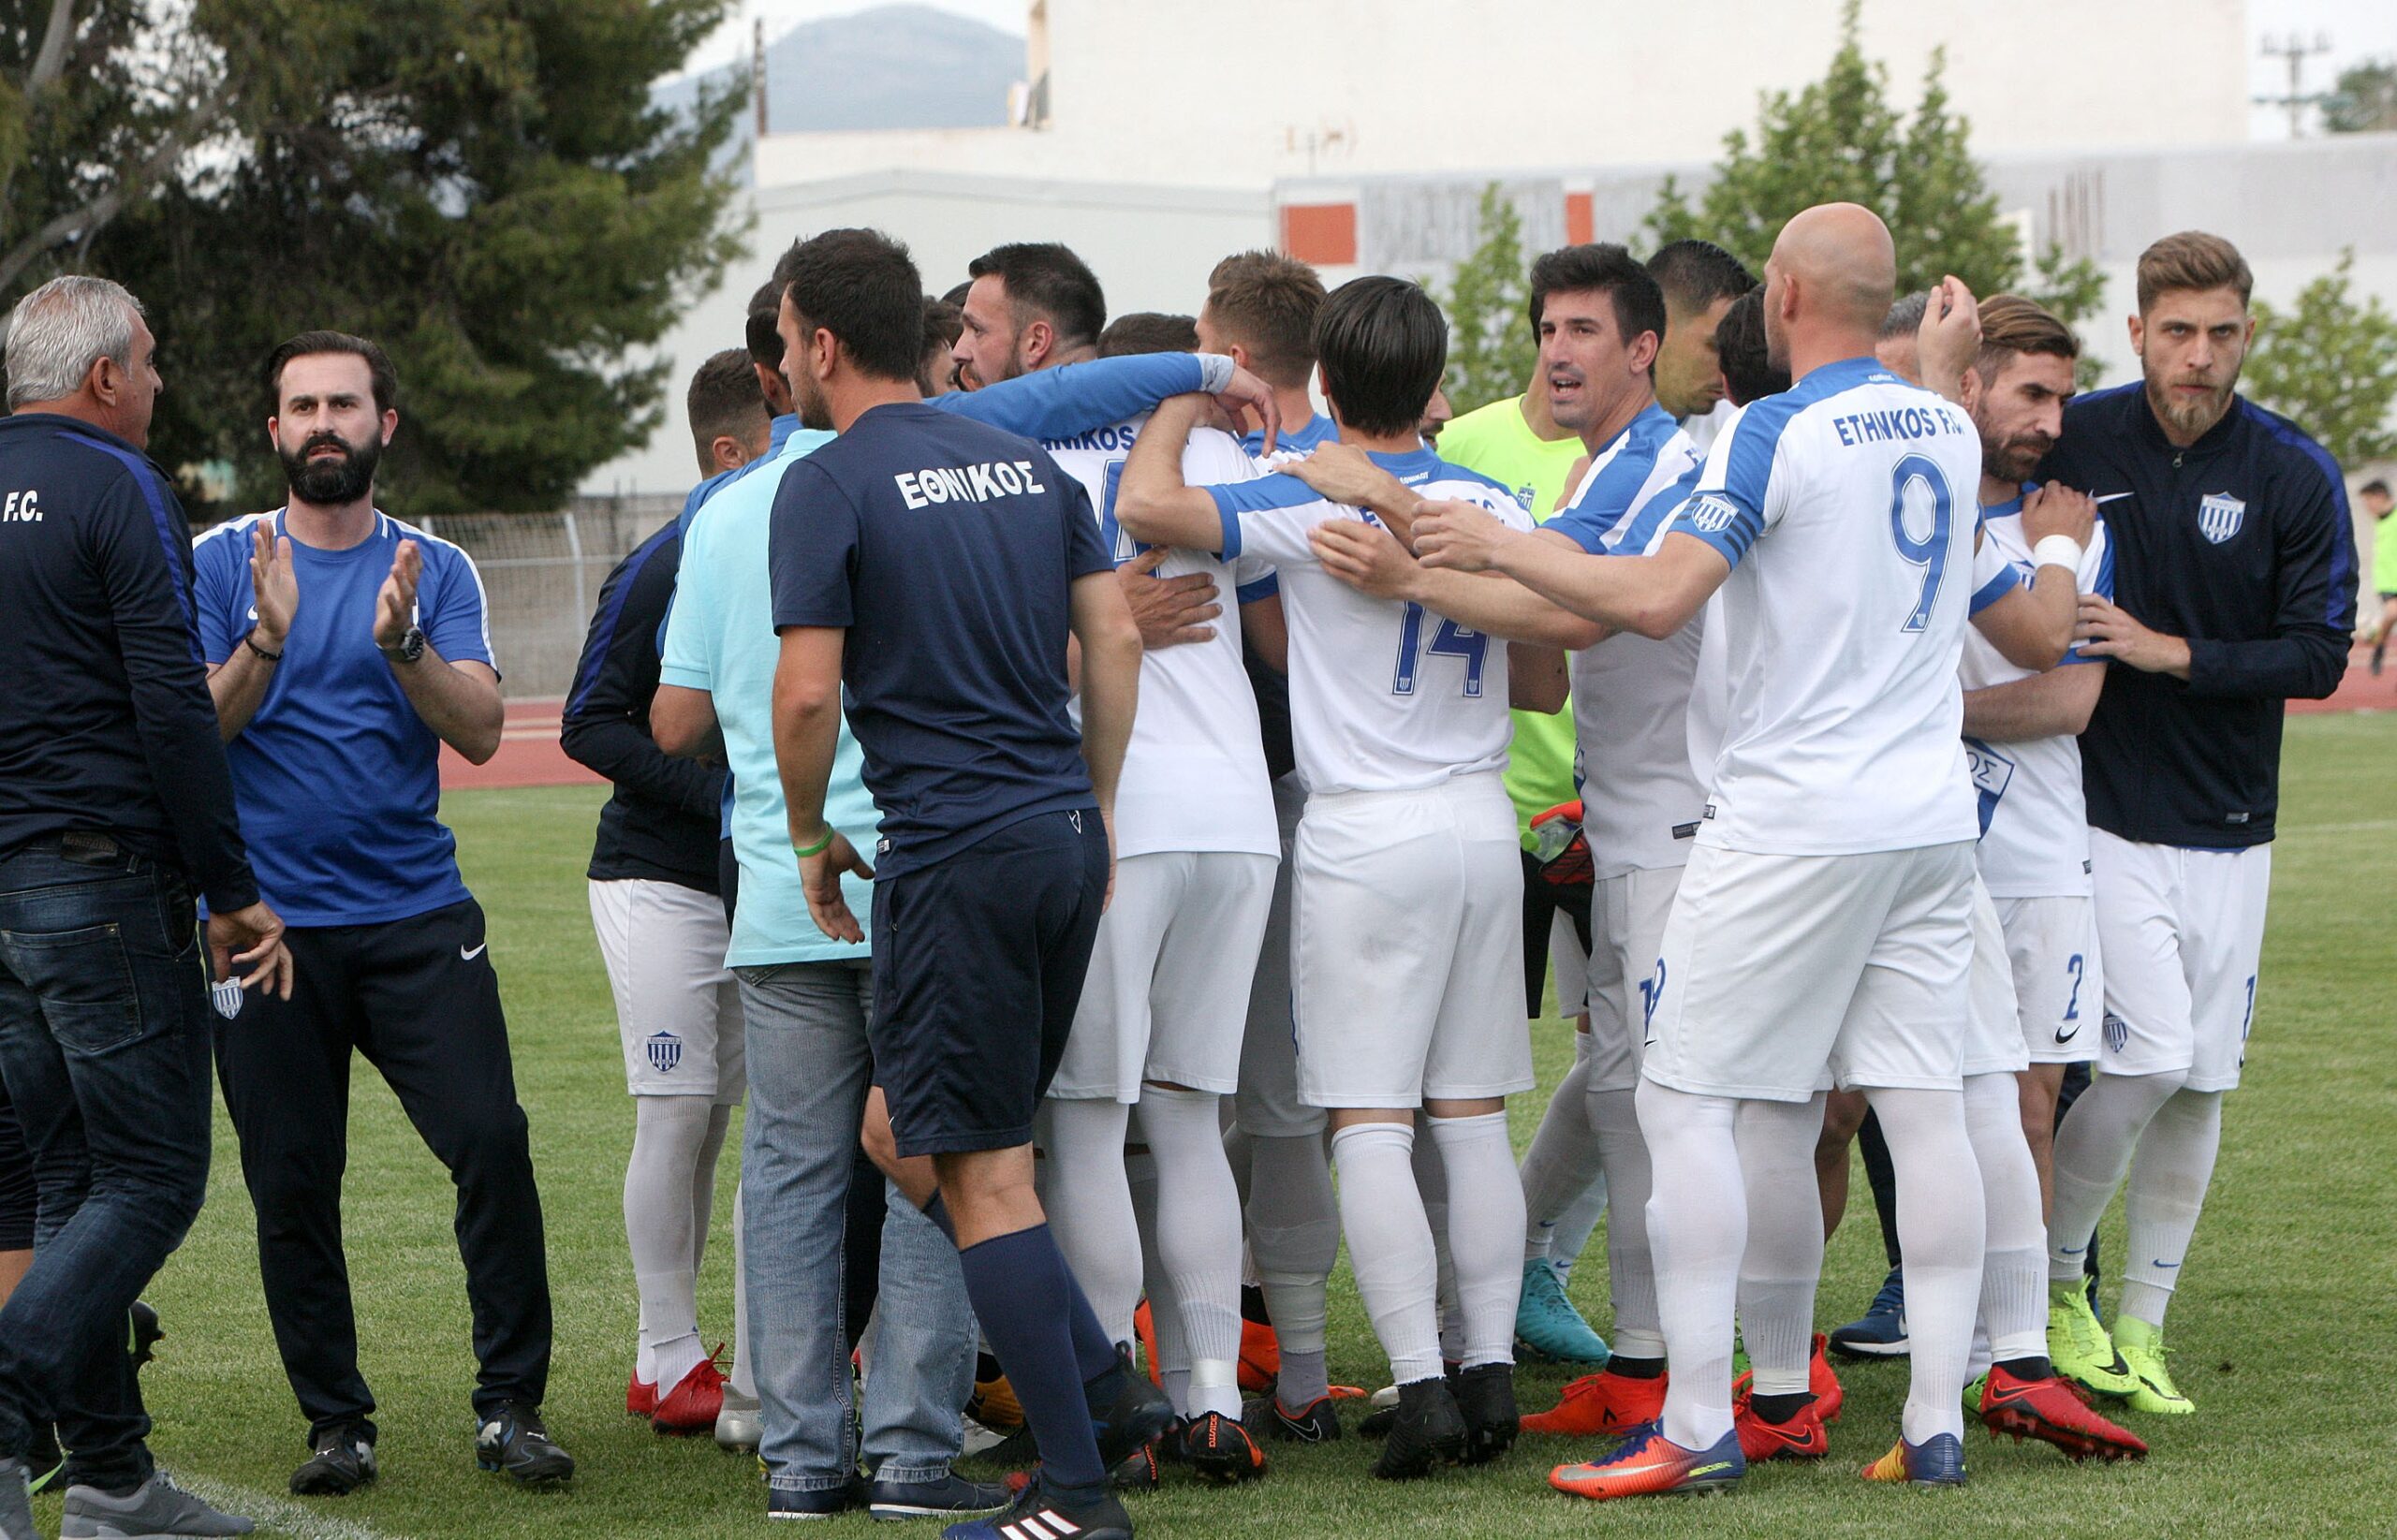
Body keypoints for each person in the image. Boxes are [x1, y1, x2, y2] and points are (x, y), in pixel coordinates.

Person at [1411, 204, 1993, 1496]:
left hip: (1793, 819)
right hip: (1929, 816)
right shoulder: (1948, 421)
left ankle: (1691, 1419)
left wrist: (1500, 542)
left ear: (1781, 292)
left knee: (1682, 1103)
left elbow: (1658, 596)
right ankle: (1937, 1419)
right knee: (1921, 1104)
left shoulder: (1772, 431)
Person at [1117, 274, 1592, 1480]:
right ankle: (1485, 1369)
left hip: (1365, 828)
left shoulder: (1305, 491)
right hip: (1482, 815)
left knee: (1369, 1122)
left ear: (1323, 379)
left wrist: (1189, 379)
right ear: (1437, 372)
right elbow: (1544, 680)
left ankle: (1422, 1389)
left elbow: (1148, 504)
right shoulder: (1493, 500)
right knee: (1475, 1114)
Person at [766, 227, 1169, 1540]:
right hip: (1056, 836)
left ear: (821, 344)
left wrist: (812, 829)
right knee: (911, 1133)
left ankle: (1074, 1492)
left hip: (953, 855)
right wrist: (1096, 805)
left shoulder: (826, 482)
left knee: (987, 1172)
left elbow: (809, 689)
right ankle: (1104, 1394)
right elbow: (1110, 635)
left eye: (781, 340)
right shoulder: (1021, 462)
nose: (781, 362)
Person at [194, 330, 570, 1492]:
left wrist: (402, 642)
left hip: (416, 918)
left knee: (492, 1142)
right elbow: (194, 734)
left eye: (343, 403)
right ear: (273, 431)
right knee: (292, 1180)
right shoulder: (218, 560)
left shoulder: (437, 567)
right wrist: (267, 632)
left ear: (383, 425)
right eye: (300, 404)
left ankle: (510, 1407)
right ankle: (335, 1423)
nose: (322, 422)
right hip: (267, 934)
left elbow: (479, 728)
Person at [2041, 231, 2356, 1414]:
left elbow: (2321, 655)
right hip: (2102, 807)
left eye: (2221, 332)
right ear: (2136, 334)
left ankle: (2142, 1326)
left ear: (2246, 334)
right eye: (2177, 332)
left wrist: (2171, 653)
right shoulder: (2081, 440)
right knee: (2149, 1052)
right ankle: (2058, 1282)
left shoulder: (2290, 469)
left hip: (2235, 816)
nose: (2199, 356)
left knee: (2203, 1084)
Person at [0, 274, 287, 1540]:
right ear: (105, 376)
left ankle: (112, 1478)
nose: (161, 385)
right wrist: (231, 887)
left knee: (71, 1183)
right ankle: (12, 1417)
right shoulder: (116, 485)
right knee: (155, 1178)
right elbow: (172, 706)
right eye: (153, 364)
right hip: (95, 877)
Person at [1031, 304, 1284, 1481]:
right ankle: (1214, 1400)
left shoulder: (1027, 465)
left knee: (1087, 1123)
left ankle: (1109, 1418)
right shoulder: (1222, 455)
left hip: (1118, 814)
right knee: (1188, 1119)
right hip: (1237, 819)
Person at [560, 355, 763, 1439]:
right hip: (654, 877)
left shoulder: (778, 539)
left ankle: (670, 1350)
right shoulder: (662, 562)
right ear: (729, 453)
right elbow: (587, 722)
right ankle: (666, 1349)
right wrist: (723, 797)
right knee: (677, 1108)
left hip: (747, 874)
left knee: (722, 1120)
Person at [1194, 252, 1338, 455]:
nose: (1195, 358)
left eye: (1201, 341)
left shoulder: (1214, 464)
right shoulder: (1360, 451)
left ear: (1235, 359)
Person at [1644, 238, 1758, 454]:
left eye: (1736, 348)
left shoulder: (1742, 435)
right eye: (1716, 346)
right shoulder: (1580, 423)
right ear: (1657, 325)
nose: (1730, 368)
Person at [2360, 479, 2394, 674]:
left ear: (2380, 496)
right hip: (2389, 583)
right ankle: (2377, 643)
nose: (2367, 507)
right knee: (2392, 613)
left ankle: (2377, 641)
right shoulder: (2380, 521)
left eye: (2369, 501)